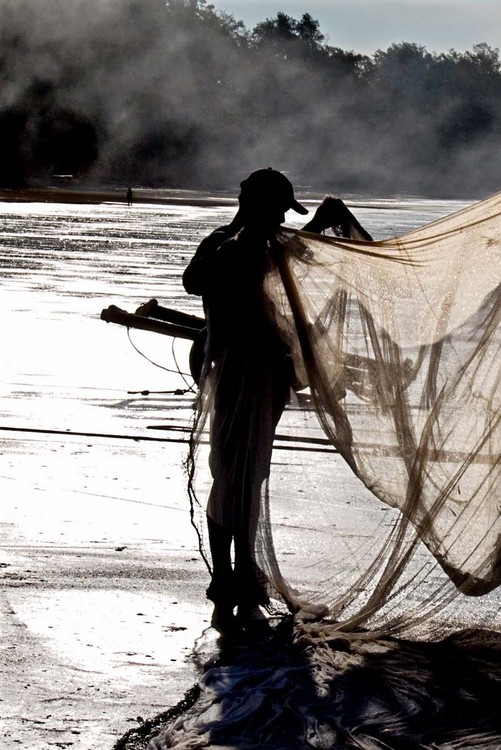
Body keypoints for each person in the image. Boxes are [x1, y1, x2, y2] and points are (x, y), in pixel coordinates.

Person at [183, 167, 368, 631]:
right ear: (259, 206)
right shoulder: (231, 244)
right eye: (280, 209)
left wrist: (316, 227)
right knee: (232, 473)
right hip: (238, 376)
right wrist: (264, 238)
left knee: (246, 473)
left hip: (261, 377)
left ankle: (237, 570)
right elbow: (199, 280)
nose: (283, 218)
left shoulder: (250, 244)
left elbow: (278, 261)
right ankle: (230, 574)